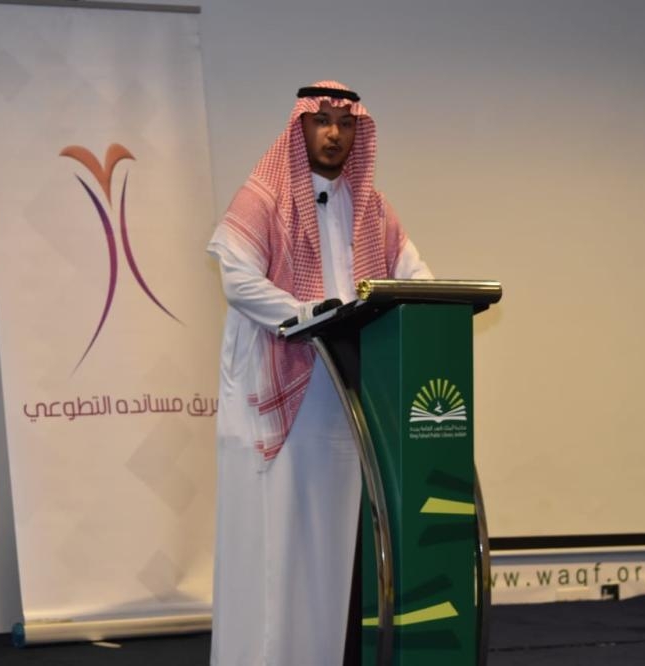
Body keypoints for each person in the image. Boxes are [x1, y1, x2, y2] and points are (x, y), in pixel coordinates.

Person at [207, 80, 432, 666]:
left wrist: (430, 304)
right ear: (300, 126)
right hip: (277, 392)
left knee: (328, 548)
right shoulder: (263, 199)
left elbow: (418, 278)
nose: (335, 133)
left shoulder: (372, 208)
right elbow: (238, 281)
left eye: (346, 123)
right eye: (322, 121)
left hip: (345, 398)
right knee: (276, 543)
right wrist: (309, 314)